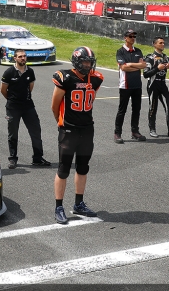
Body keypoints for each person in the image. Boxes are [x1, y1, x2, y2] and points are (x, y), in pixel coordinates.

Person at [51, 46, 103, 224]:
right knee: (63, 170)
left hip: (87, 129)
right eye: (85, 62)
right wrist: (62, 123)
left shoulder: (96, 79)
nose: (88, 66)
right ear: (76, 62)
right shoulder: (65, 77)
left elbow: (91, 100)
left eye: (90, 62)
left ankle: (79, 204)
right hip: (69, 130)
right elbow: (55, 105)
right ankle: (59, 207)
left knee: (82, 168)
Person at [0, 49, 49, 169]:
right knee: (13, 134)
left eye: (24, 56)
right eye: (20, 56)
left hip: (28, 106)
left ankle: (37, 158)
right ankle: (13, 158)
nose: (23, 58)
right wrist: (12, 99)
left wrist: (24, 99)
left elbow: (30, 87)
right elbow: (3, 90)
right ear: (15, 58)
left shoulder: (30, 72)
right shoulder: (9, 72)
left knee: (36, 131)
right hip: (13, 107)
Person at [113, 29, 147, 143]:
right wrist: (136, 66)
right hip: (125, 86)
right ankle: (117, 133)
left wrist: (131, 64)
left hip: (137, 85)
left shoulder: (138, 51)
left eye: (134, 36)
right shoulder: (120, 51)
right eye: (130, 36)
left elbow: (143, 66)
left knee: (136, 110)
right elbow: (123, 67)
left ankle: (135, 132)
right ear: (125, 38)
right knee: (122, 110)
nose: (133, 38)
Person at [144, 37, 169, 138]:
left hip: (163, 85)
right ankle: (152, 129)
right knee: (153, 108)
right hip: (153, 85)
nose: (163, 45)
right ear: (154, 44)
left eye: (163, 43)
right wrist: (157, 68)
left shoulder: (166, 58)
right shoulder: (150, 58)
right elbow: (146, 74)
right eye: (160, 43)